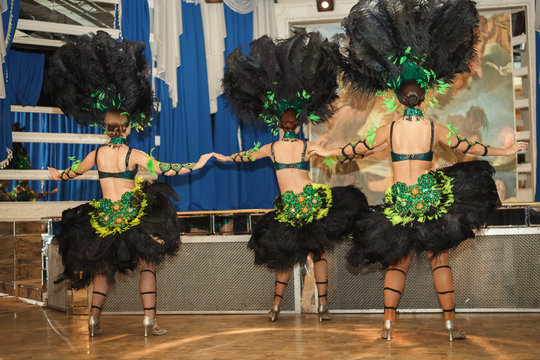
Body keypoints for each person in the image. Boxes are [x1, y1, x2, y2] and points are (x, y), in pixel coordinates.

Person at [311, 0, 528, 341]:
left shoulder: (389, 130)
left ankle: (387, 325)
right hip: (429, 205)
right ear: (424, 96)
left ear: (398, 98)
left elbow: (355, 150)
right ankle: (450, 325)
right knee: (439, 259)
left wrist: (325, 150)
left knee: (397, 263)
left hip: (400, 206)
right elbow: (471, 148)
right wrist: (505, 150)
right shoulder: (434, 129)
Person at [45, 31, 213, 337]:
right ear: (127, 126)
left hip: (105, 218)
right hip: (132, 216)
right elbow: (167, 169)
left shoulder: (95, 154)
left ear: (106, 127)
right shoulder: (134, 154)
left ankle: (93, 319)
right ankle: (150, 319)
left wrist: (58, 174)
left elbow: (72, 173)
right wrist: (197, 164)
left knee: (102, 271)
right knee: (147, 265)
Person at [215, 32, 373, 322]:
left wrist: (224, 157)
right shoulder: (304, 146)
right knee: (317, 253)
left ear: (279, 122)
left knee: (288, 256)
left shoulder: (273, 148)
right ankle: (320, 305)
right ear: (297, 122)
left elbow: (246, 156)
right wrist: (361, 148)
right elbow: (336, 152)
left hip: (295, 206)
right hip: (309, 204)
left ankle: (278, 306)